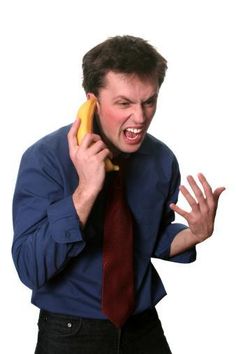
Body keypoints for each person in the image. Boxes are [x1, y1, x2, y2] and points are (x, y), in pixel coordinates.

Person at [12, 35, 225, 354]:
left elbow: (147, 239)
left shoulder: (161, 160)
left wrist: (195, 234)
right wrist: (85, 191)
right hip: (71, 332)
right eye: (124, 103)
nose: (140, 118)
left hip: (143, 326)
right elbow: (31, 269)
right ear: (91, 102)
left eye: (149, 101)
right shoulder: (44, 160)